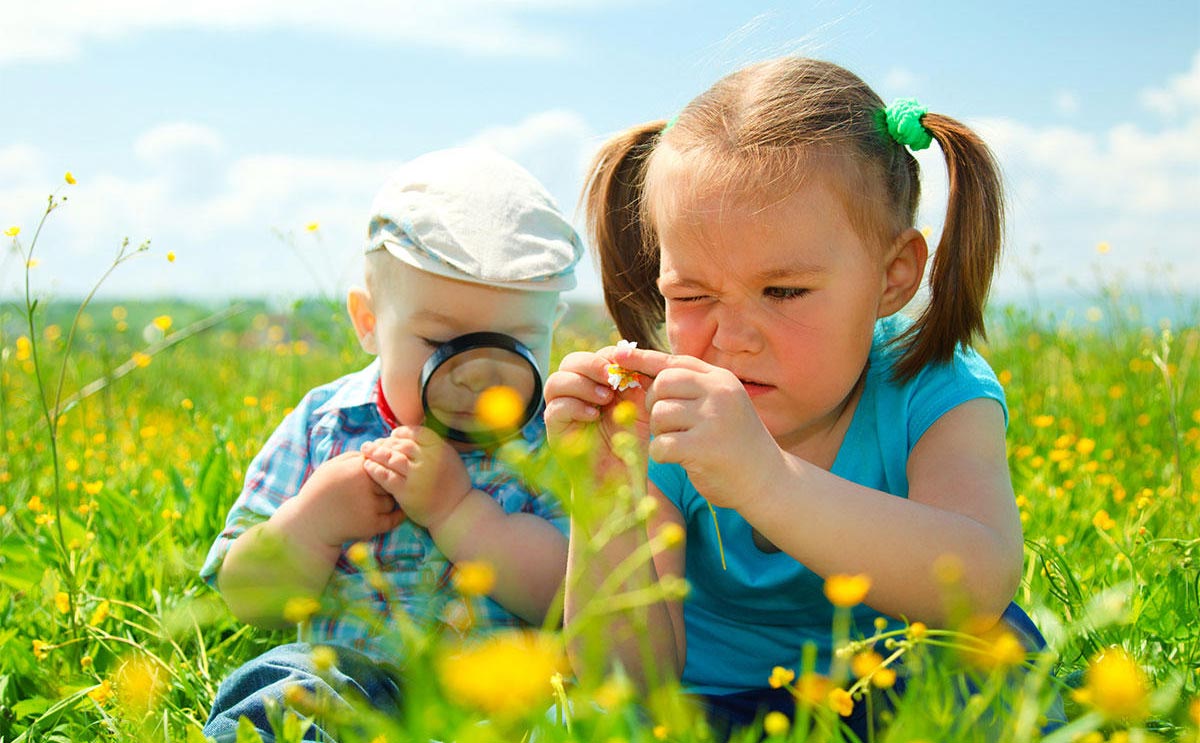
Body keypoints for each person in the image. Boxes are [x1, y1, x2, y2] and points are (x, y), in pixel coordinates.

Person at [544, 57, 1064, 739]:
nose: (731, 339)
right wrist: (604, 488)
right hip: (712, 702)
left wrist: (766, 481)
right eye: (691, 296)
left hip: (901, 689)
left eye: (783, 292)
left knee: (995, 671)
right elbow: (627, 677)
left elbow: (978, 582)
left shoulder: (933, 385)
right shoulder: (662, 417)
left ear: (892, 276)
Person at [201, 147, 583, 742]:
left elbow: (570, 600)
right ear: (368, 321)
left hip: (501, 699)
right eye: (439, 340)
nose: (477, 373)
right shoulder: (325, 424)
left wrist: (460, 514)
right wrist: (313, 520)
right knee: (280, 687)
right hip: (348, 689)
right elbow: (245, 594)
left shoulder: (554, 439)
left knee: (579, 715)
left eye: (516, 343)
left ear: (553, 324)